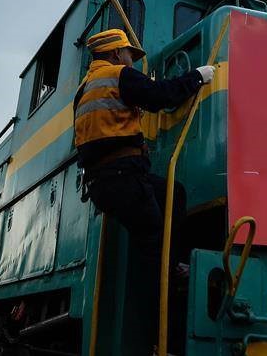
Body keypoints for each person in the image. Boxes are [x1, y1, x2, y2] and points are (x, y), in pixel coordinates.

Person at [73, 28, 215, 354]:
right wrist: (197, 76)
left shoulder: (84, 90)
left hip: (103, 181)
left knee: (172, 193)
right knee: (151, 243)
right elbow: (160, 97)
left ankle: (174, 262)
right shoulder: (117, 76)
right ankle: (155, 329)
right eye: (128, 54)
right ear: (114, 54)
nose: (131, 60)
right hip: (122, 175)